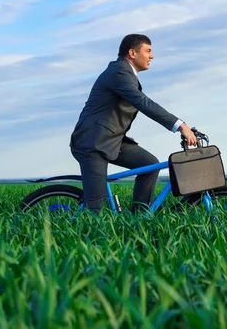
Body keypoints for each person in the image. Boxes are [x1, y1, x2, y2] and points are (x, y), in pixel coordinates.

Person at [69, 34, 197, 213]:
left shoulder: (126, 74)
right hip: (93, 143)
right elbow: (142, 102)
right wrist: (180, 125)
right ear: (132, 53)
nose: (151, 56)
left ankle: (138, 218)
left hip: (113, 140)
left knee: (149, 165)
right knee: (96, 208)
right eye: (148, 51)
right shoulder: (118, 72)